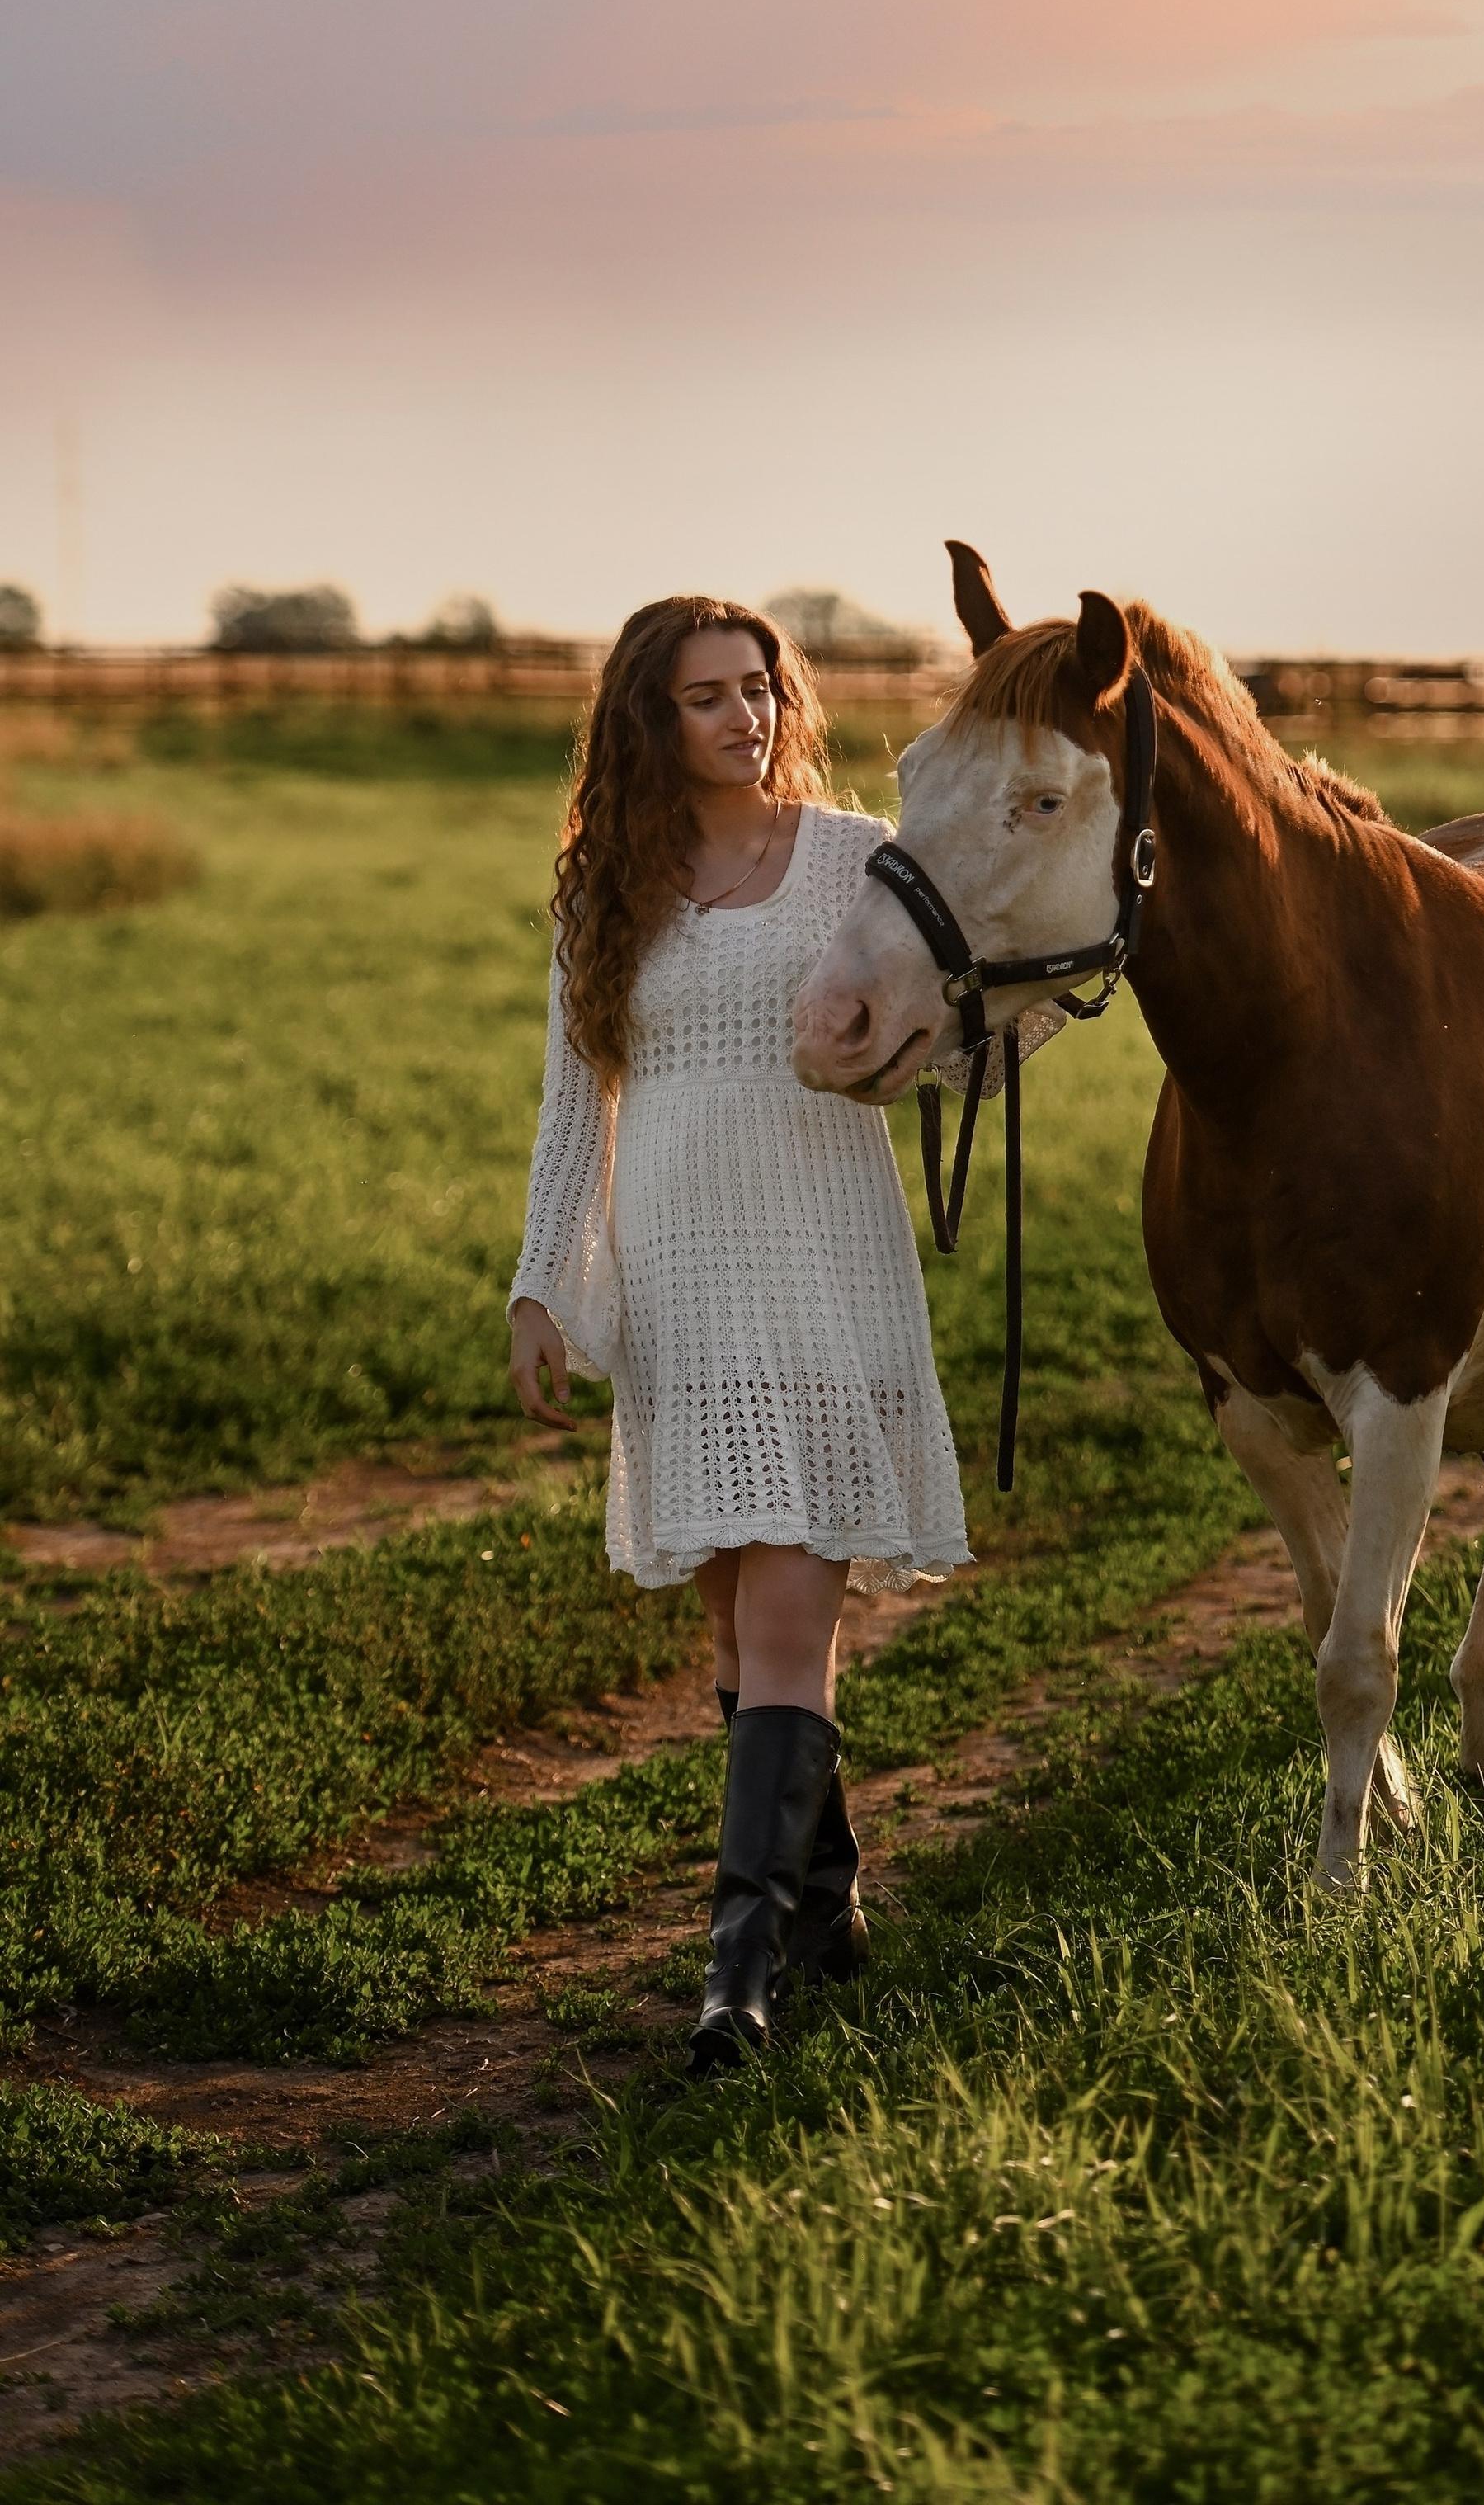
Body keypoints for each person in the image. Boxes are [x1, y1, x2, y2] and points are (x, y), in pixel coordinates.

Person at [506, 596, 972, 2072]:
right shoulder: (608, 887)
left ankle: (738, 1978)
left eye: (761, 689)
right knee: (734, 1623)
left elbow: (954, 1015)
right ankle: (825, 1909)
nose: (746, 716)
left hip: (822, 1265)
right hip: (679, 1284)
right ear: (651, 720)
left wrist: (935, 1064)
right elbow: (578, 1095)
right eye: (707, 696)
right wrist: (542, 1281)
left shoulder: (852, 861)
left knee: (784, 1622)